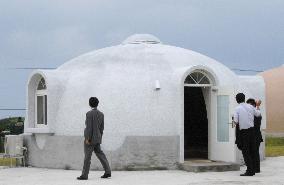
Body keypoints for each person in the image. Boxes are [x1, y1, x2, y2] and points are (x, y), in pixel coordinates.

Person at [77, 97, 111, 180]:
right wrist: (99, 138)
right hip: (97, 139)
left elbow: (89, 128)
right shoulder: (101, 114)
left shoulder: (89, 114)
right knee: (101, 155)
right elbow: (102, 128)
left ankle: (84, 175)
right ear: (97, 104)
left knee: (87, 157)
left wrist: (87, 139)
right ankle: (108, 171)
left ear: (89, 104)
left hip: (90, 139)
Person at [233, 93, 261, 176]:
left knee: (245, 152)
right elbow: (258, 114)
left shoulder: (237, 108)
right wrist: (258, 106)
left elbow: (235, 121)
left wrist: (232, 121)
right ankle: (254, 169)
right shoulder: (251, 106)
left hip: (244, 133)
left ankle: (250, 170)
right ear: (244, 99)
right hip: (252, 132)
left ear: (237, 99)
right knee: (252, 150)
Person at [246, 98, 263, 173]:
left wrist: (258, 106)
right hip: (252, 136)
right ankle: (254, 168)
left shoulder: (255, 113)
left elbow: (258, 113)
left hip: (256, 136)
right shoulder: (252, 113)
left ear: (253, 105)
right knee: (252, 152)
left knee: (255, 152)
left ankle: (256, 168)